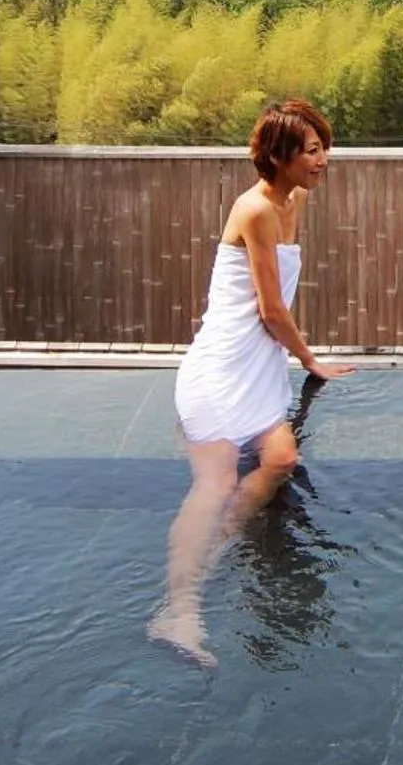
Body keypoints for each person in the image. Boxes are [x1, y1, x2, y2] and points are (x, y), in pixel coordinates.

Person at [149, 99, 354, 667]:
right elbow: (269, 310)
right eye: (312, 151)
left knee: (281, 458)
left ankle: (216, 551)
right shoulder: (256, 209)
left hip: (259, 369)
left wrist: (296, 363)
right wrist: (311, 361)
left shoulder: (296, 201)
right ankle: (178, 608)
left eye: (323, 148)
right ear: (281, 156)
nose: (323, 160)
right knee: (212, 483)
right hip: (223, 365)